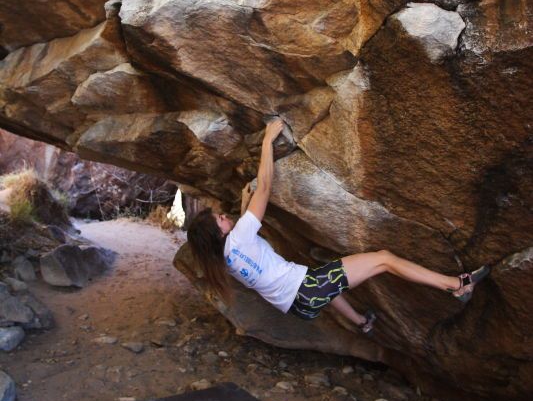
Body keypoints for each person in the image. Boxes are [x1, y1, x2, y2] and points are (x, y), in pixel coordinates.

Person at [186, 118, 490, 334]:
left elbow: (246, 240)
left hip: (298, 306)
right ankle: (457, 285)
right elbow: (264, 187)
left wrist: (243, 205)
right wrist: (267, 141)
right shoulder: (238, 237)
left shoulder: (224, 260)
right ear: (220, 232)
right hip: (307, 289)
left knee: (328, 283)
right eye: (220, 220)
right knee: (383, 259)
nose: (225, 217)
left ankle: (361, 322)